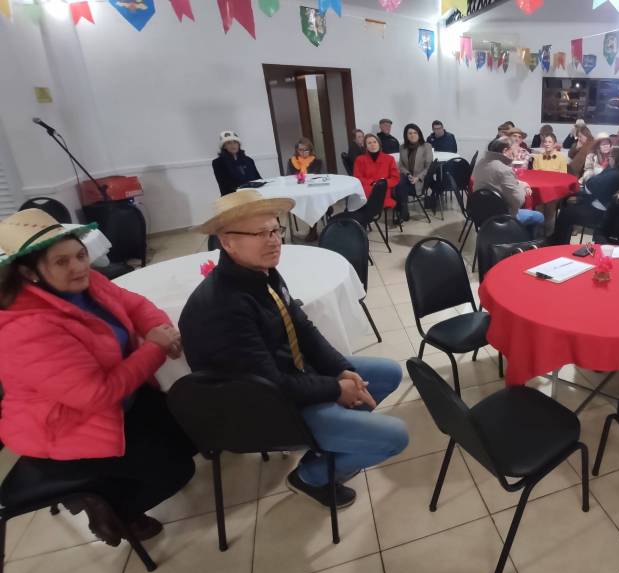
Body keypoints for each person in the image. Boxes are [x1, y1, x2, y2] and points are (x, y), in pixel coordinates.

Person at [180, 190, 409, 507]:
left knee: (387, 373)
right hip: (266, 408)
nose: (274, 241)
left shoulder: (262, 273)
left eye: (276, 230)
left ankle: (331, 445)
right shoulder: (225, 305)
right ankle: (311, 476)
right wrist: (335, 388)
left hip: (291, 376)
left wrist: (341, 371)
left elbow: (303, 328)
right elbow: (270, 386)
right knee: (395, 437)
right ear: (227, 242)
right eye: (261, 233)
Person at [0, 209, 196, 546]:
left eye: (80, 255)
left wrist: (158, 328)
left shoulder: (88, 283)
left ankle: (110, 491)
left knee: (193, 428)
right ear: (29, 273)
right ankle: (113, 513)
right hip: (69, 428)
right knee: (176, 471)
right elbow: (95, 395)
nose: (78, 267)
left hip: (118, 402)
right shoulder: (26, 329)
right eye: (61, 262)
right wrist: (155, 348)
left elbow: (135, 304)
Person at [550, 145, 619, 245]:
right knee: (568, 199)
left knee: (566, 212)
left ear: (615, 157)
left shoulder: (615, 174)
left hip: (600, 215)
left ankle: (557, 242)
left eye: (610, 155)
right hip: (601, 206)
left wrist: (583, 192)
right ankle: (559, 240)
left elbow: (591, 185)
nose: (608, 158)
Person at [471, 137, 545, 235]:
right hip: (503, 216)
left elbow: (496, 183)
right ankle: (526, 242)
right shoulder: (504, 170)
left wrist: (519, 183)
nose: (515, 155)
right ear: (505, 151)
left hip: (480, 214)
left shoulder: (481, 163)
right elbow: (518, 201)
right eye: (514, 152)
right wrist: (523, 187)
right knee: (539, 216)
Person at [395, 123, 434, 224]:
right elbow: (401, 165)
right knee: (398, 183)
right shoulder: (402, 147)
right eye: (410, 133)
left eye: (415, 133)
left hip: (420, 181)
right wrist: (408, 174)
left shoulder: (426, 146)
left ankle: (402, 212)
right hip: (407, 178)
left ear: (419, 134)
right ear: (406, 135)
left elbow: (428, 167)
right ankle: (403, 211)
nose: (412, 135)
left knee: (399, 186)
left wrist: (417, 178)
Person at [352, 133, 400, 213]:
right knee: (357, 198)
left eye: (375, 142)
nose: (372, 145)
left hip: (383, 189)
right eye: (369, 143)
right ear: (366, 146)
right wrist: (372, 182)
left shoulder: (389, 159)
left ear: (379, 144)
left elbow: (395, 178)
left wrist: (382, 183)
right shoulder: (359, 160)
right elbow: (357, 178)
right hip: (366, 189)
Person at [212, 130, 261, 196]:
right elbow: (225, 185)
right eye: (229, 143)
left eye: (235, 142)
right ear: (224, 146)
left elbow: (258, 179)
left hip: (253, 195)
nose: (233, 145)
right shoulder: (218, 163)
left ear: (239, 144)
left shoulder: (249, 160)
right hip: (233, 197)